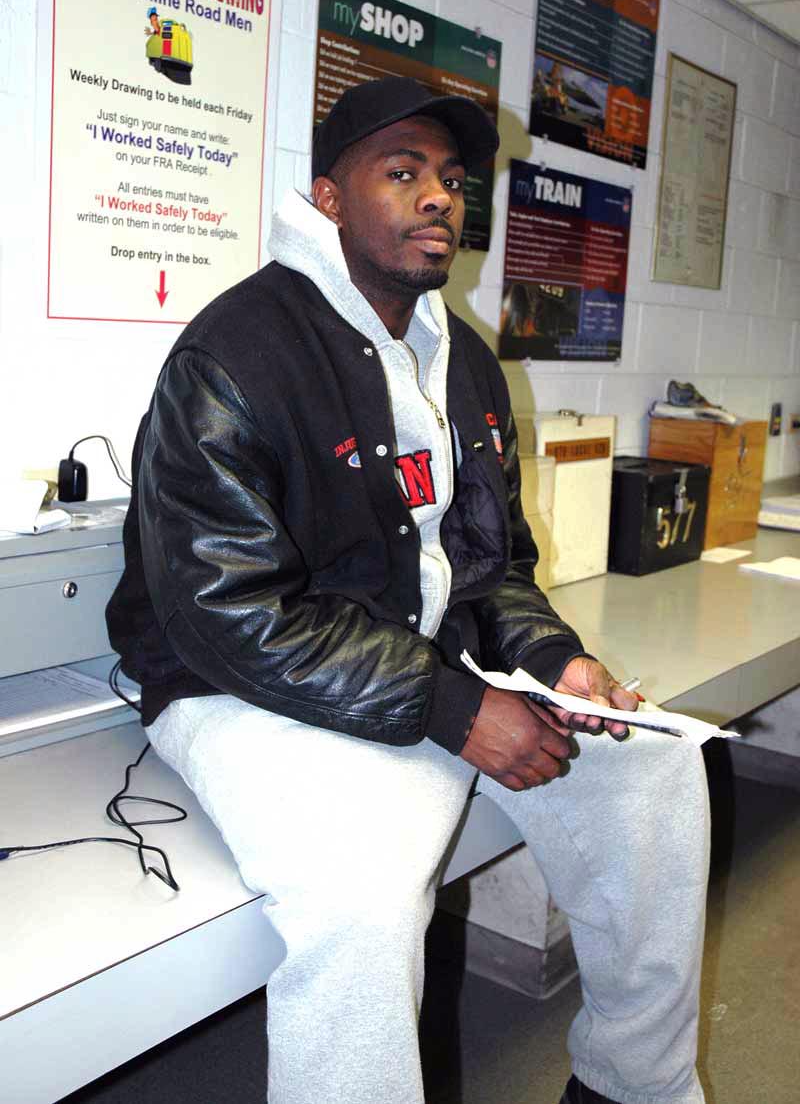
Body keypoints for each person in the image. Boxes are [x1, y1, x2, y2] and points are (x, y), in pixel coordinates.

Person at [107, 77, 710, 1104]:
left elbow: (492, 565)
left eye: (451, 180)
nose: (438, 197)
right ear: (329, 197)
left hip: (419, 664)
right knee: (361, 895)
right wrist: (452, 705)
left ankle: (631, 1084)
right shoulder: (234, 354)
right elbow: (225, 613)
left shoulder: (463, 366)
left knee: (650, 767)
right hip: (232, 686)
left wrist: (553, 660)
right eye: (402, 172)